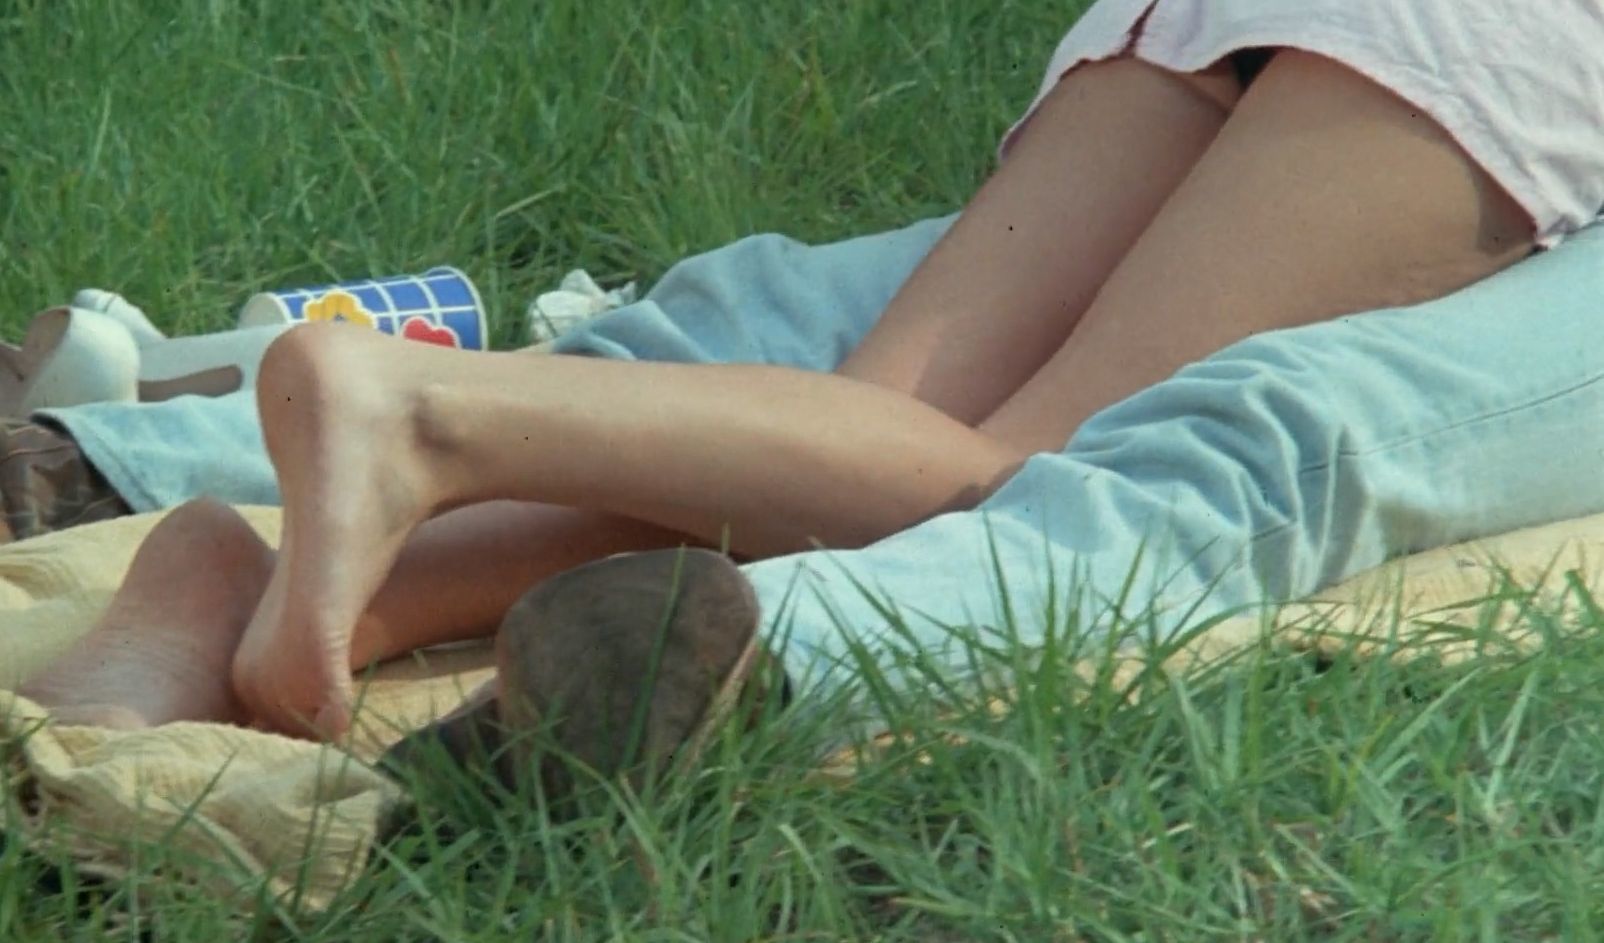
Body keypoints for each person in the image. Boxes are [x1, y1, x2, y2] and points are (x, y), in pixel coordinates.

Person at [16, 3, 1604, 751]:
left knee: (867, 441)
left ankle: (255, 584)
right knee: (1022, 474)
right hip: (1501, 50)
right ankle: (417, 409)